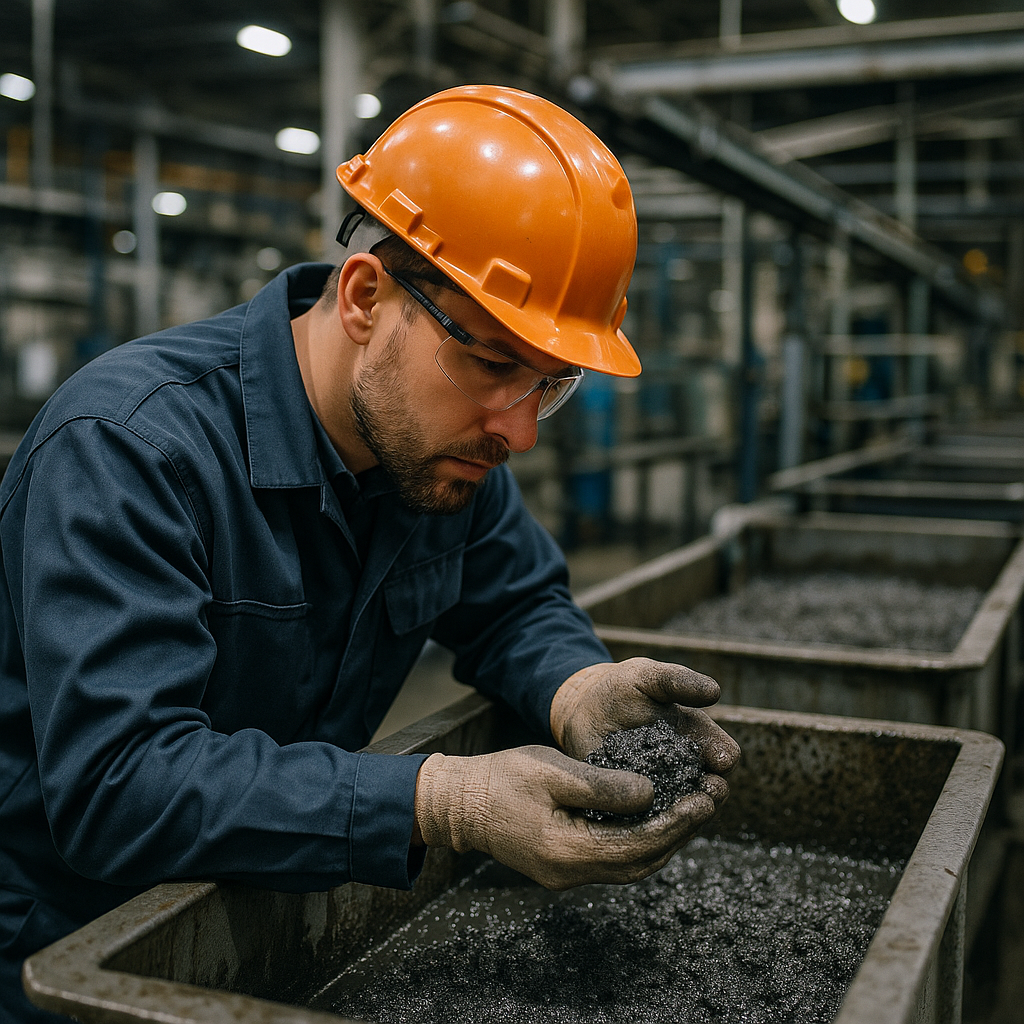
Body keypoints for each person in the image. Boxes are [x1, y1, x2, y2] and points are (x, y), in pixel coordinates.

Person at [0, 85, 740, 1022]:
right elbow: (120, 783)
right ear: (363, 298)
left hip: (265, 922)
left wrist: (577, 687)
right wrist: (441, 801)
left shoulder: (440, 454)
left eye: (549, 386)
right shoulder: (131, 448)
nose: (520, 430)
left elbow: (513, 602)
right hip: (61, 955)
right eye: (491, 363)